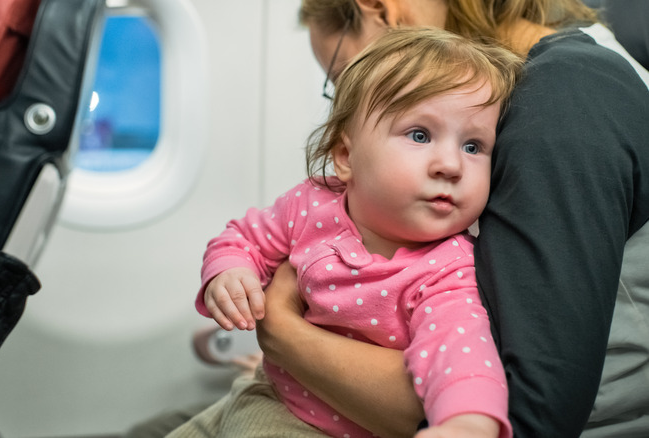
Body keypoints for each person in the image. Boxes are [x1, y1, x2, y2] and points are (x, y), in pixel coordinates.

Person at [253, 1, 649, 437]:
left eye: (344, 73)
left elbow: (525, 412)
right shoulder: (498, 99)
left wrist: (287, 338)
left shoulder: (567, 100)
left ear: (381, 11)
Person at [169, 27, 523, 438]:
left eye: (473, 146)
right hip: (269, 390)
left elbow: (461, 354)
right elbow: (243, 238)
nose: (451, 164)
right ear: (345, 157)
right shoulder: (311, 205)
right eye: (420, 135)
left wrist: (466, 424)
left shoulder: (450, 268)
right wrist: (230, 272)